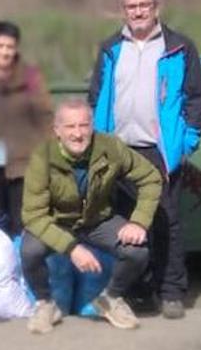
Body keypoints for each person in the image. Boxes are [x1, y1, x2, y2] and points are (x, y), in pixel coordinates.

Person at [88, 0, 201, 319]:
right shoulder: (111, 48)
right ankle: (137, 291)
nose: (138, 11)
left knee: (166, 221)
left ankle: (170, 291)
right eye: (131, 7)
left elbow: (197, 98)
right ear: (123, 10)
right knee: (125, 223)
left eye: (144, 5)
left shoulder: (180, 47)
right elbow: (96, 96)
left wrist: (187, 140)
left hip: (160, 151)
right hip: (118, 151)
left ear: (156, 7)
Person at [20, 98, 162, 333]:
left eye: (83, 125)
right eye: (70, 127)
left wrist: (139, 221)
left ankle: (111, 299)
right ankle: (46, 303)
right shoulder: (42, 157)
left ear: (92, 126)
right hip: (58, 223)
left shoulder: (111, 148)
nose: (78, 134)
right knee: (29, 250)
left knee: (137, 251)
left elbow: (150, 178)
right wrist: (72, 248)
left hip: (98, 220)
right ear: (57, 130)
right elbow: (33, 216)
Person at [0, 20, 53, 234]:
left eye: (10, 47)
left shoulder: (31, 77)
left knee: (23, 227)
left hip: (23, 167)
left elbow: (45, 117)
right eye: (0, 46)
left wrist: (49, 156)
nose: (5, 52)